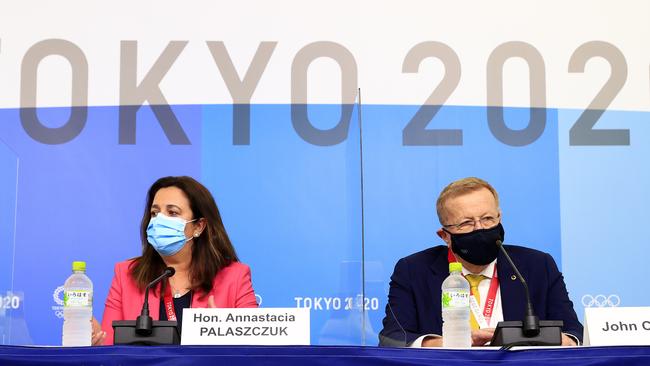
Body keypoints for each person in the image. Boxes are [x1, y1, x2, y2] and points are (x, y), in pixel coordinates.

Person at [378, 177, 582, 347]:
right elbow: (393, 337)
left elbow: (573, 332)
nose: (480, 229)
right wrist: (452, 342)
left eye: (487, 219)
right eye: (466, 223)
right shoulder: (413, 271)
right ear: (444, 236)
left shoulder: (537, 266)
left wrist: (560, 341)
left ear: (499, 218)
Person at [92, 176, 258, 345]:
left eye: (172, 213)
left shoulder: (235, 277)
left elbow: (255, 349)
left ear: (199, 226)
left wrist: (225, 335)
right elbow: (111, 348)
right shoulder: (125, 274)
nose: (159, 221)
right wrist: (98, 345)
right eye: (155, 213)